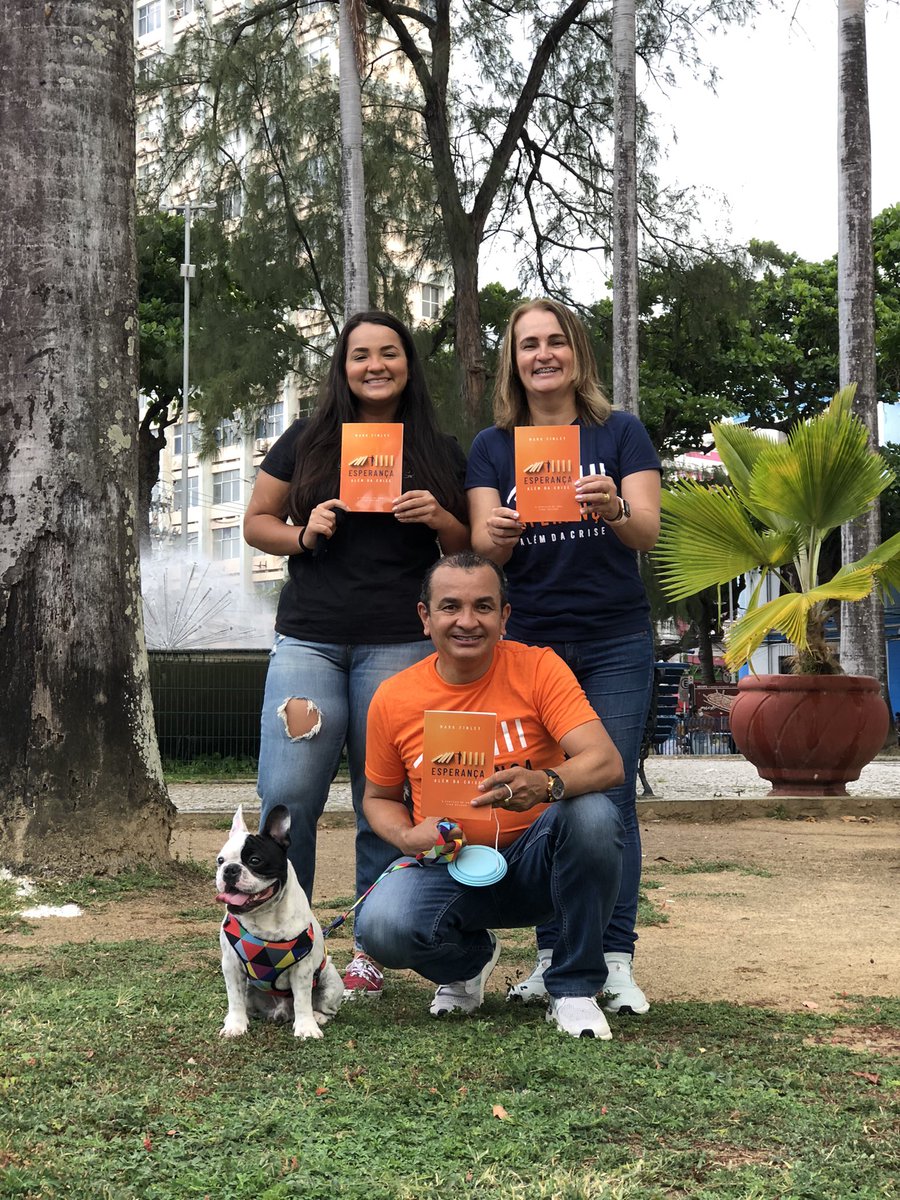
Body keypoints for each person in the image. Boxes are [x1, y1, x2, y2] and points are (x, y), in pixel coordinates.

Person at [243, 311, 469, 998]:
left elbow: (471, 546)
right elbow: (258, 523)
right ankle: (285, 944)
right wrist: (304, 534)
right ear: (342, 367)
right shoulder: (308, 440)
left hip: (400, 641)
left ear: (408, 364)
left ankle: (370, 948)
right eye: (360, 355)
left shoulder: (436, 447)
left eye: (389, 354)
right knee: (287, 796)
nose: (375, 366)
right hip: (310, 637)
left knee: (388, 795)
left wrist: (438, 518)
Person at [466, 298, 661, 1014]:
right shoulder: (494, 445)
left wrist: (612, 507)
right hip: (528, 644)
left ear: (577, 352)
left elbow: (645, 532)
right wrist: (504, 532)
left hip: (613, 635)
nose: (542, 355)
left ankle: (613, 959)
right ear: (513, 361)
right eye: (528, 345)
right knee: (542, 792)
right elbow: (485, 549)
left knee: (607, 796)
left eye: (555, 342)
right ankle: (554, 957)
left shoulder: (621, 434)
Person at [355, 553, 626, 1039]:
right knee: (382, 925)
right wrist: (405, 834)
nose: (466, 621)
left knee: (592, 814)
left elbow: (605, 762)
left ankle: (573, 988)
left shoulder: (539, 668)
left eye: (483, 607)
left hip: (538, 863)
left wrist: (546, 782)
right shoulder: (393, 697)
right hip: (449, 865)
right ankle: (468, 963)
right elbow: (377, 796)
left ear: (504, 616)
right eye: (450, 607)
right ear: (425, 617)